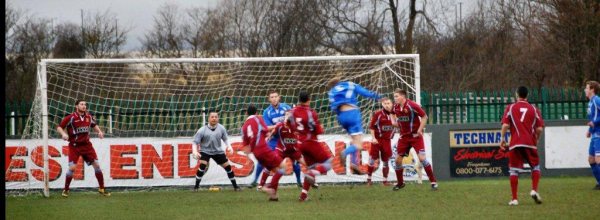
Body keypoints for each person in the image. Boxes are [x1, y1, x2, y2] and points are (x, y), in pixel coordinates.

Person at [500, 86, 545, 206]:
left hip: (515, 143)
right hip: (530, 142)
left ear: (517, 94)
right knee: (535, 167)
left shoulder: (511, 107)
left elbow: (505, 125)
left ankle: (514, 199)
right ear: (527, 95)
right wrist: (537, 138)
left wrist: (502, 138)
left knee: (514, 171)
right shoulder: (533, 109)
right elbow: (540, 128)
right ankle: (534, 190)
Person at [57, 99, 110, 197]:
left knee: (97, 165)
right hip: (74, 146)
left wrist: (99, 132)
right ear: (76, 106)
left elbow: (94, 125)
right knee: (72, 168)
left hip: (86, 145)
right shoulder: (70, 117)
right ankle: (66, 190)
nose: (84, 106)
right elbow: (59, 127)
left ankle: (102, 188)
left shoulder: (89, 117)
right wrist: (63, 134)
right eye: (81, 104)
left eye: (85, 104)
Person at [327, 77, 381, 174]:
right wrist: (379, 97)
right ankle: (345, 153)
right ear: (340, 81)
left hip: (341, 117)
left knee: (353, 141)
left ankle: (354, 164)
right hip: (352, 114)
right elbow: (365, 93)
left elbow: (333, 108)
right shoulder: (349, 84)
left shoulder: (331, 92)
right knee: (359, 144)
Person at [250, 90, 303, 188]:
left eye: (276, 96)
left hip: (287, 139)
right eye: (272, 97)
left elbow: (293, 122)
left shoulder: (286, 108)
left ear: (279, 97)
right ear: (269, 99)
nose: (274, 99)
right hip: (274, 140)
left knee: (295, 160)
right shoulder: (267, 112)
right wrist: (280, 125)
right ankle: (255, 181)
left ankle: (299, 181)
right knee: (263, 159)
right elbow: (267, 127)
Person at [289, 91, 333, 202]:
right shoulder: (311, 112)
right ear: (309, 99)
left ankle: (303, 196)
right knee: (328, 163)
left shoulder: (293, 111)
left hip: (300, 143)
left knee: (312, 167)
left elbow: (289, 124)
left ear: (299, 100)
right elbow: (318, 130)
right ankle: (311, 173)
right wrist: (320, 127)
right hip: (310, 142)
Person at [392, 89, 438, 191]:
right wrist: (393, 123)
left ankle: (433, 182)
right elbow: (393, 117)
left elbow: (424, 116)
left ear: (403, 97)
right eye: (394, 96)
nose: (395, 98)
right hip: (404, 137)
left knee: (422, 158)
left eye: (396, 96)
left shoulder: (412, 105)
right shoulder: (395, 107)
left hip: (415, 137)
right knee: (397, 161)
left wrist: (419, 130)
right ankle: (400, 183)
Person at [241, 105, 287, 201]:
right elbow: (266, 129)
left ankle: (273, 196)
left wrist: (249, 158)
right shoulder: (258, 119)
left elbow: (245, 147)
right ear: (257, 113)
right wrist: (277, 126)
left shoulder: (244, 126)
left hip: (256, 154)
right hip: (263, 149)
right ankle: (264, 187)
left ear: (246, 113)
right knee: (283, 167)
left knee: (274, 170)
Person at [258, 110, 308, 189]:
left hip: (293, 151)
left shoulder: (296, 126)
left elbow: (303, 134)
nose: (288, 116)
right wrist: (268, 137)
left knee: (305, 164)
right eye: (286, 115)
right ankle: (261, 184)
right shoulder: (280, 126)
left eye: (289, 115)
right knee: (270, 164)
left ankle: (305, 182)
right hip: (281, 150)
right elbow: (273, 133)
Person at [192, 111, 240, 191]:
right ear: (208, 119)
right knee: (202, 166)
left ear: (218, 118)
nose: (214, 118)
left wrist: (229, 146)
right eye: (212, 117)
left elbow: (225, 139)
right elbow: (195, 142)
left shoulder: (221, 128)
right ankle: (196, 187)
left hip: (218, 152)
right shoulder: (202, 130)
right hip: (205, 151)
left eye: (216, 117)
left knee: (228, 167)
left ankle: (236, 187)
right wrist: (194, 151)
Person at [367, 97, 395, 186]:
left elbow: (398, 125)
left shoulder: (395, 114)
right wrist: (373, 138)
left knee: (386, 161)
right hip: (377, 140)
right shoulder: (378, 114)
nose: (387, 105)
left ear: (392, 104)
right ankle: (369, 180)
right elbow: (372, 127)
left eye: (388, 103)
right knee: (372, 159)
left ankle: (385, 181)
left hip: (387, 141)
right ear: (382, 105)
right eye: (385, 103)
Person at [584, 81, 600, 190]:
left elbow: (595, 120)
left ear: (592, 89)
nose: (585, 90)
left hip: (599, 134)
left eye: (587, 88)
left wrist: (595, 123)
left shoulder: (597, 100)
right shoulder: (590, 103)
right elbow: (592, 119)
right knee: (591, 160)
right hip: (594, 133)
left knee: (598, 160)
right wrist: (590, 129)